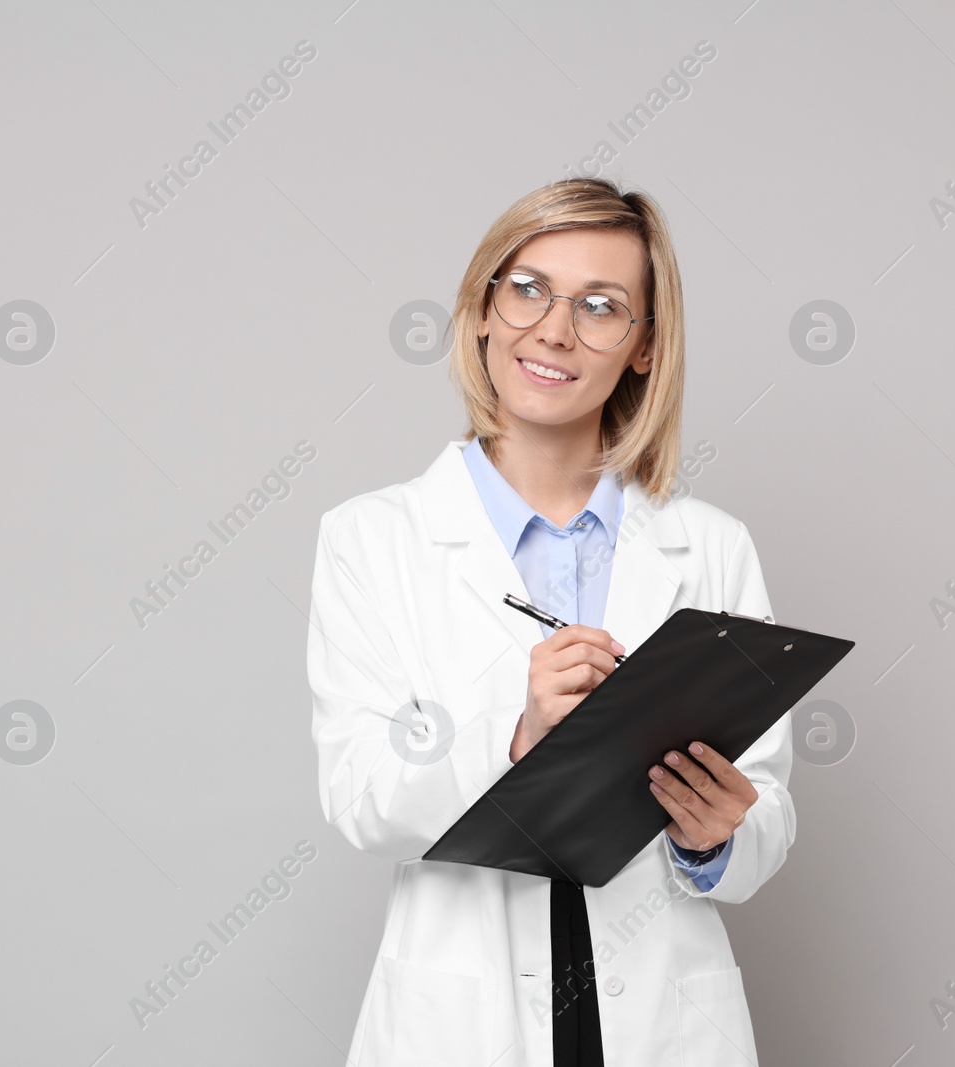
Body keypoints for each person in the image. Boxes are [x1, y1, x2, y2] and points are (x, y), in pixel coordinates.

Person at [307, 177, 791, 1066]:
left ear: (644, 348)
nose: (555, 330)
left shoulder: (711, 547)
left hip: (662, 1016)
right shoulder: (372, 539)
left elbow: (767, 812)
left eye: (602, 306)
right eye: (527, 288)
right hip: (461, 1017)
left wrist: (721, 832)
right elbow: (360, 797)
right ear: (483, 310)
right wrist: (518, 735)